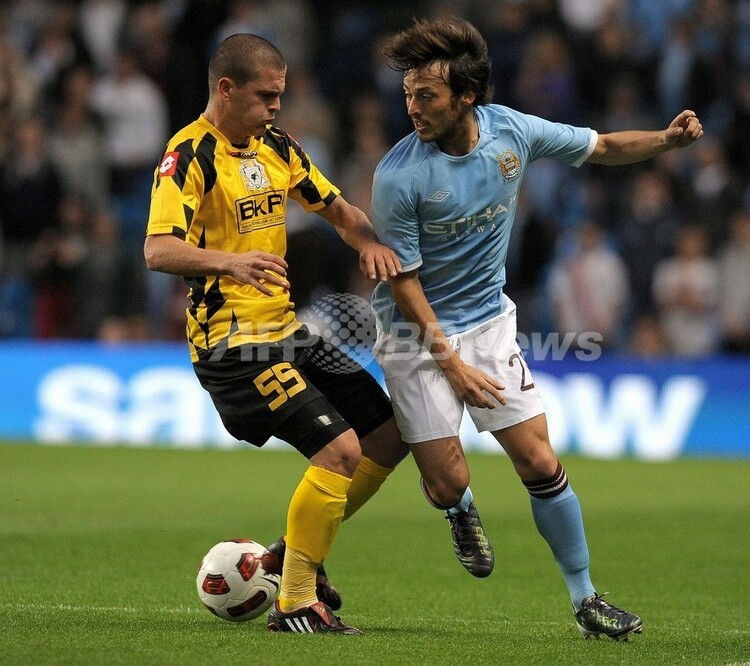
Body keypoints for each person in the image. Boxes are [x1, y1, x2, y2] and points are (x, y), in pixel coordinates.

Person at [370, 17, 703, 641]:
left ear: (466, 97)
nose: (411, 107)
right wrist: (451, 365)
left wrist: (666, 140)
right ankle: (460, 510)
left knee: (540, 460)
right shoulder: (398, 176)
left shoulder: (512, 132)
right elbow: (403, 283)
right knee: (448, 480)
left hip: (487, 324)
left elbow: (603, 147)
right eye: (408, 94)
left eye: (426, 95)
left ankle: (586, 600)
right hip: (415, 335)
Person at [144, 33, 408, 635]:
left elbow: (338, 209)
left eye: (280, 95)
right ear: (226, 88)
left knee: (387, 434)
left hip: (285, 332)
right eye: (266, 96)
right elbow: (157, 250)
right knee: (340, 451)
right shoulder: (188, 155)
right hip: (231, 345)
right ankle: (294, 603)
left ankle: (294, 555)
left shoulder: (277, 147)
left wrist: (368, 242)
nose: (276, 107)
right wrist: (229, 263)